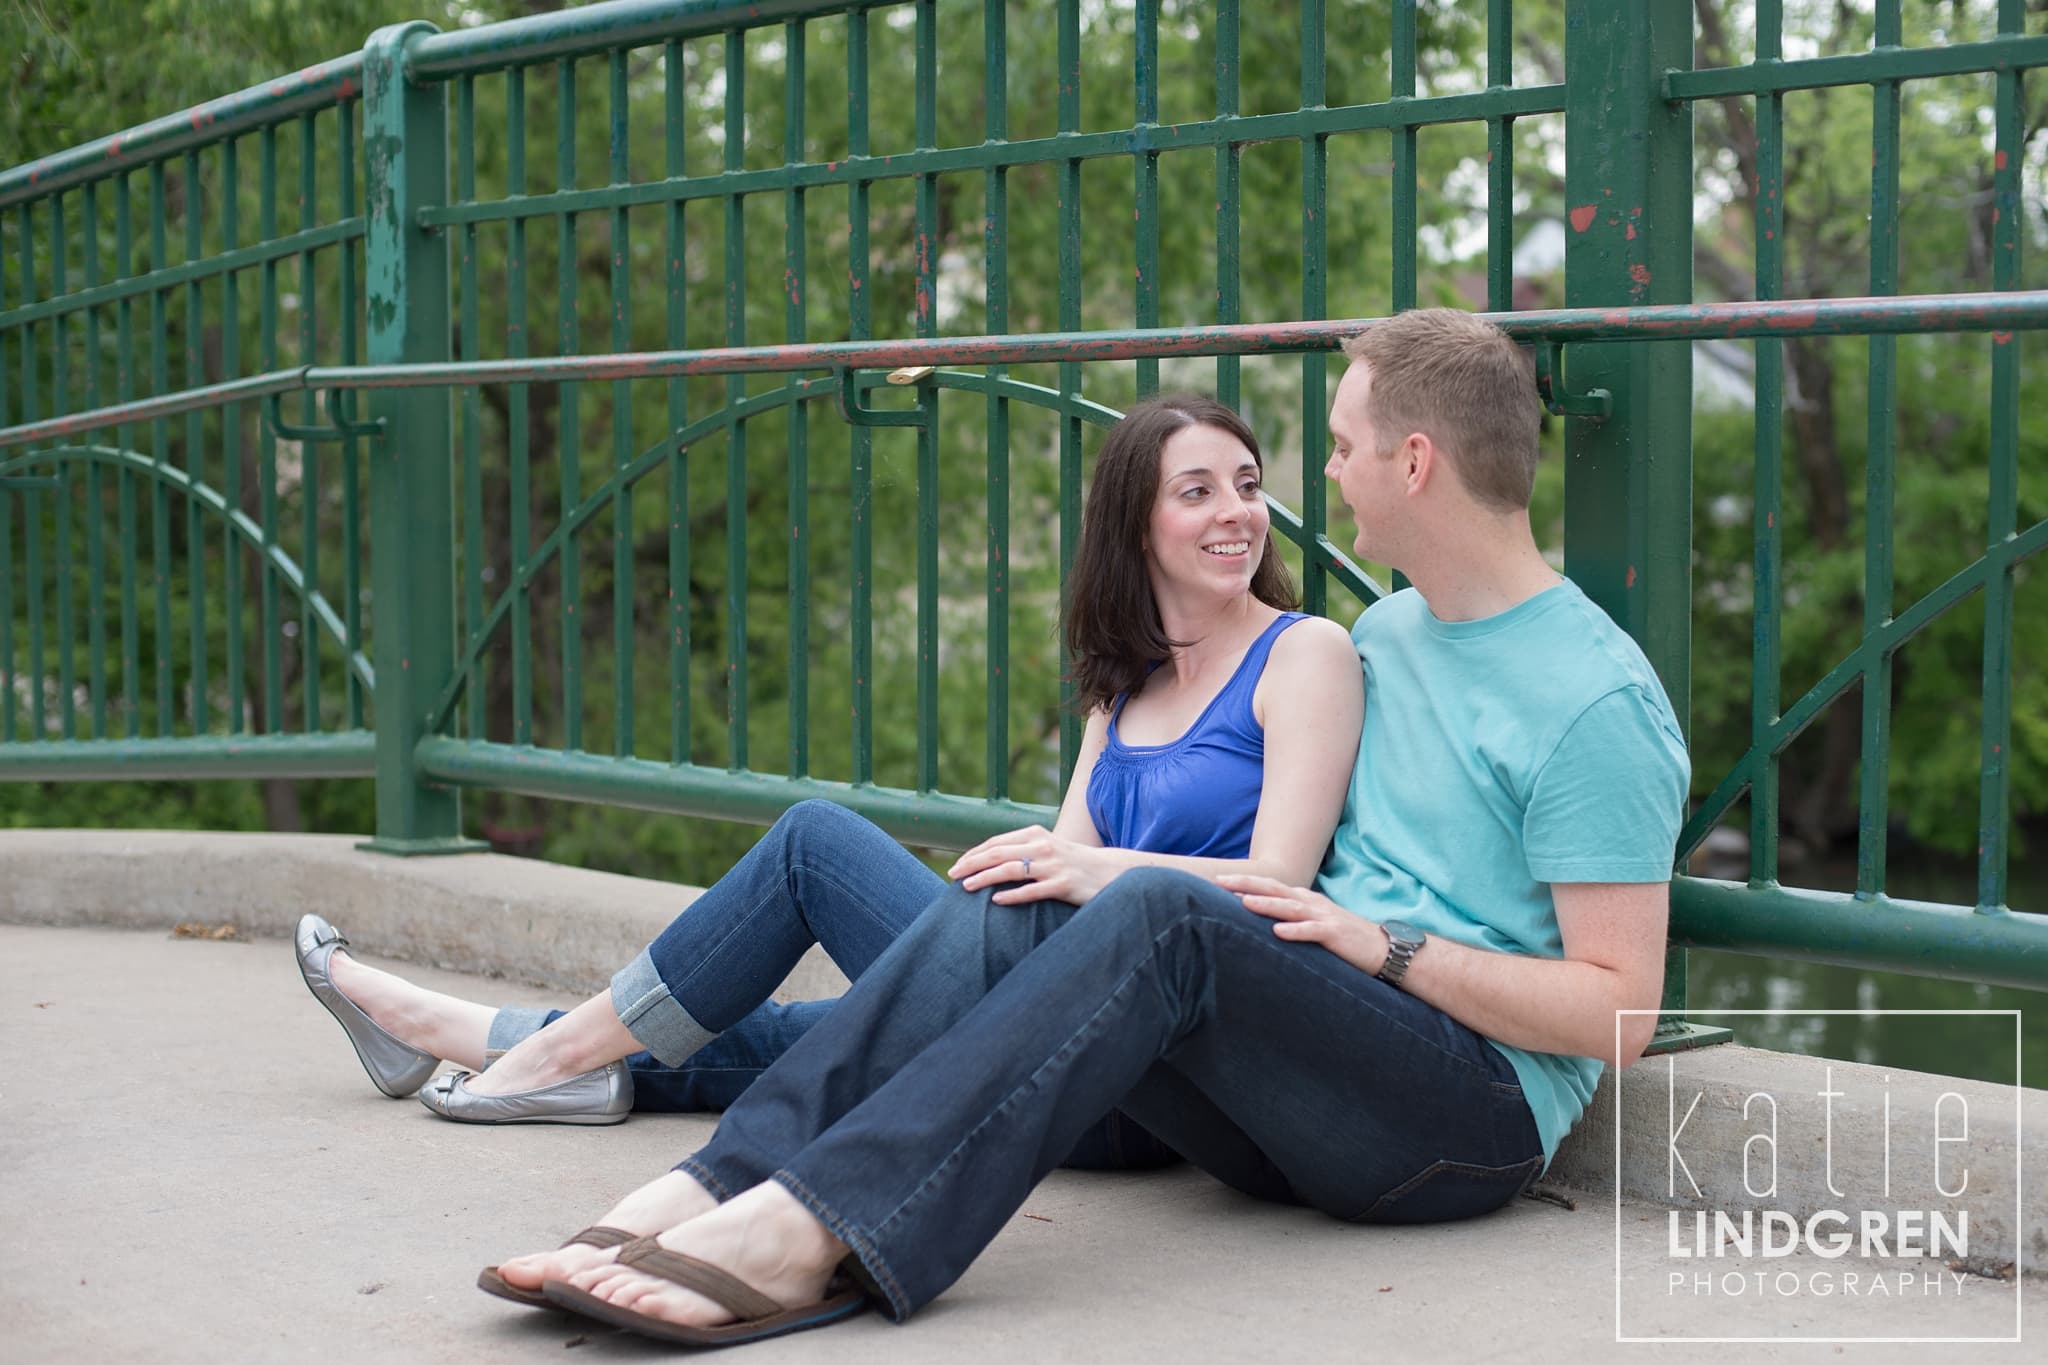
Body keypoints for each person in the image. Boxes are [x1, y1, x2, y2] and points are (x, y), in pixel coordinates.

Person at [493, 308, 1693, 1348]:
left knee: (1153, 908)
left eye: (1337, 446)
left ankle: (807, 1228)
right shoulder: (1390, 634)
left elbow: (1618, 1013)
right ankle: (716, 1183)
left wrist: (1382, 947)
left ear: (1414, 461)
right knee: (1027, 889)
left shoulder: (1591, 701)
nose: (1322, 476)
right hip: (1299, 1081)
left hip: (1455, 1127)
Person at [296, 393, 1362, 1143]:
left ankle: (513, 1054)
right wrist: (1052, 880)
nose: (1235, 513)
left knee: (814, 846)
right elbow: (1052, 884)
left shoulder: (1301, 654)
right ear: (1134, 524)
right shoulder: (1120, 683)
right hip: (1051, 1006)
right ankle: (477, 1042)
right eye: (1196, 491)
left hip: (1148, 1071)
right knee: (814, 1033)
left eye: (1247, 484)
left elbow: (1279, 896)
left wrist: (1092, 872)